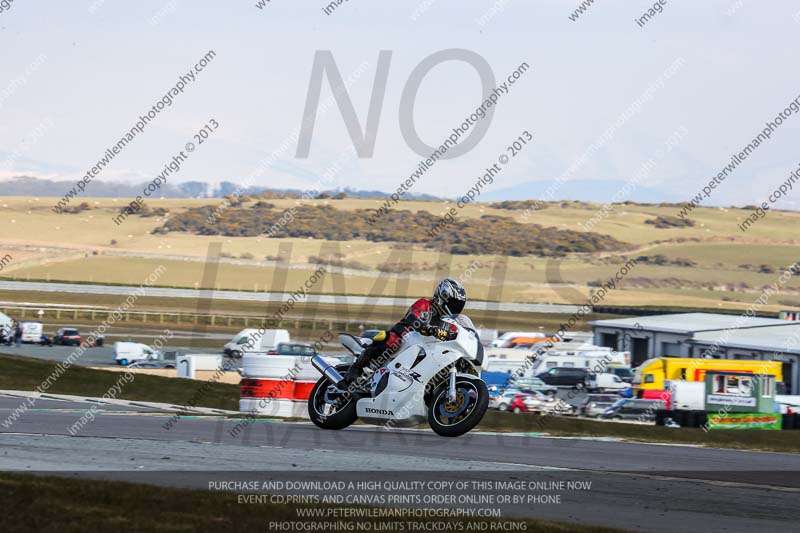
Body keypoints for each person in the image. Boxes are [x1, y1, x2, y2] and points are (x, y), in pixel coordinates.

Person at [343, 278, 467, 386]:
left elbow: (456, 336)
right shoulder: (425, 304)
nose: (455, 307)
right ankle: (356, 368)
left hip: (426, 349)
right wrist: (427, 327)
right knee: (392, 340)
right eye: (453, 303)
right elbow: (413, 316)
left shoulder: (450, 323)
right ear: (442, 296)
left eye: (458, 305)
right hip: (404, 337)